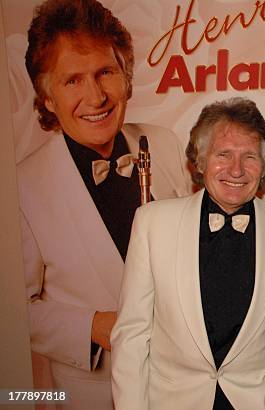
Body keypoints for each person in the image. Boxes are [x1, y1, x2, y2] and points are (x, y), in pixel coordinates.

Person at [18, 0, 191, 408]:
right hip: (92, 395)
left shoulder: (164, 143)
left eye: (105, 73)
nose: (95, 97)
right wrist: (93, 327)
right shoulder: (22, 186)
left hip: (181, 384)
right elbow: (13, 309)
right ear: (46, 97)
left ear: (126, 78)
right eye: (72, 81)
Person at [111, 98, 265, 410]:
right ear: (200, 162)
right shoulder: (152, 222)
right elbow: (132, 336)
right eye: (223, 154)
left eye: (250, 157)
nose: (236, 169)